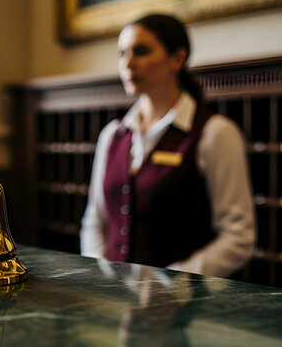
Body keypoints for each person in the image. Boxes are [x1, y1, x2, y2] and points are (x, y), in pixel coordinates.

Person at [80, 14, 255, 278]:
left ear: (178, 58)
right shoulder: (112, 135)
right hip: (114, 305)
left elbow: (238, 237)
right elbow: (95, 220)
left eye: (141, 52)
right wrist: (103, 277)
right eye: (122, 53)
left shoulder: (215, 132)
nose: (127, 63)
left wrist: (173, 281)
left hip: (187, 310)